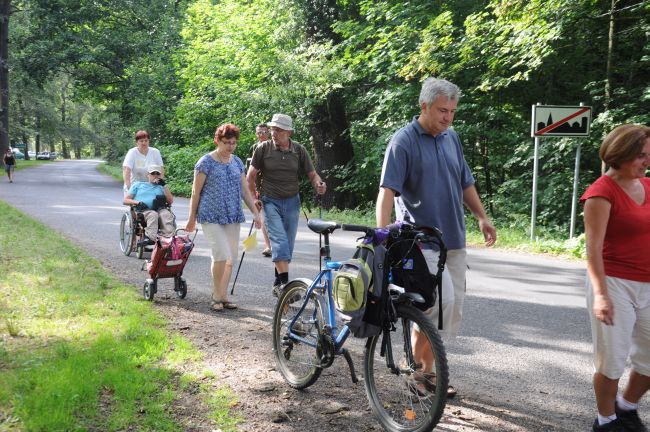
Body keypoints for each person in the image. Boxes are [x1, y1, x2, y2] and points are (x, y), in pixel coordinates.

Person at [376, 77, 496, 398]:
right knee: (436, 306)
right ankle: (421, 375)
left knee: (451, 313)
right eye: (443, 110)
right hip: (420, 242)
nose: (448, 117)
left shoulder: (451, 138)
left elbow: (465, 183)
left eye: (453, 111)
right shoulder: (403, 142)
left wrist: (482, 217)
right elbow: (387, 191)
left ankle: (427, 372)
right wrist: (383, 231)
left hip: (453, 241)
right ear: (424, 106)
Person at [581, 124, 650, 432]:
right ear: (620, 155)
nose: (646, 161)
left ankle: (626, 407)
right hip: (614, 283)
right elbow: (593, 249)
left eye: (648, 155)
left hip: (647, 283)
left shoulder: (647, 186)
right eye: (640, 156)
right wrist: (601, 294)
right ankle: (606, 420)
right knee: (612, 360)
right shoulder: (601, 193)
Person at [246, 113, 326, 295]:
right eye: (273, 129)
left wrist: (319, 186)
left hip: (292, 202)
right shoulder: (262, 149)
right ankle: (285, 287)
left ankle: (278, 282)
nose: (274, 133)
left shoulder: (298, 150)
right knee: (279, 242)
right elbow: (250, 177)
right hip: (270, 201)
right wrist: (254, 199)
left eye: (279, 130)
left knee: (287, 247)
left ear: (289, 132)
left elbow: (313, 175)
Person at [186, 124, 261, 312]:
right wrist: (191, 218)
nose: (230, 147)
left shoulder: (236, 162)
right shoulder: (205, 162)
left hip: (232, 215)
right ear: (217, 141)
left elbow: (245, 190)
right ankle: (216, 295)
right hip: (210, 215)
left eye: (234, 143)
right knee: (220, 253)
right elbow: (196, 192)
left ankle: (223, 295)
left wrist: (255, 212)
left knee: (231, 257)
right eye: (226, 142)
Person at [123, 164, 175, 244]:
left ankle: (169, 239)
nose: (155, 175)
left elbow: (170, 201)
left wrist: (164, 185)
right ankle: (151, 238)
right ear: (148, 175)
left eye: (157, 174)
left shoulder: (162, 187)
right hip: (143, 210)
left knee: (166, 214)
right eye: (153, 173)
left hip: (159, 209)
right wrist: (138, 202)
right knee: (153, 214)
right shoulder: (138, 185)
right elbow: (126, 200)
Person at [248, 123, 273, 258]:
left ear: (268, 133)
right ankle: (268, 246)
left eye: (264, 132)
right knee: (263, 217)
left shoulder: (274, 146)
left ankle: (276, 244)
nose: (261, 135)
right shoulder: (253, 148)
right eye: (259, 133)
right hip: (259, 188)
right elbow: (249, 172)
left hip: (272, 187)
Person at [122, 130, 164, 195]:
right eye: (141, 141)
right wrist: (130, 188)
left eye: (146, 140)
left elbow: (161, 169)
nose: (144, 143)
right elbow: (126, 171)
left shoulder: (155, 152)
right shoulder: (132, 153)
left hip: (151, 187)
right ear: (137, 142)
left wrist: (160, 184)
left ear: (149, 141)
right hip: (134, 186)